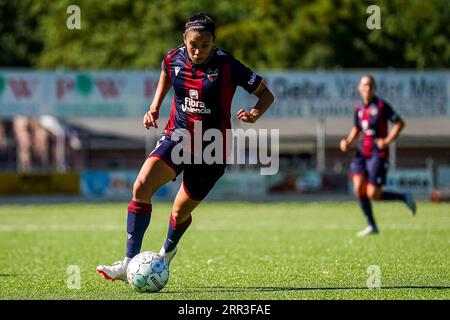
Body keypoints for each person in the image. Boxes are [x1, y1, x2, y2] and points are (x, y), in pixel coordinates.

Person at [96, 13, 274, 281]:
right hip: (177, 138)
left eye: (205, 45)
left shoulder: (228, 65)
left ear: (213, 42)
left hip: (212, 149)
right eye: (193, 44)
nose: (198, 50)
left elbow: (266, 94)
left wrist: (255, 113)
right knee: (141, 187)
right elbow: (167, 74)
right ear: (184, 40)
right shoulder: (172, 58)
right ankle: (128, 262)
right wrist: (154, 107)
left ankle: (166, 254)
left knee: (180, 212)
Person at [340, 75, 416, 237]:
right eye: (364, 85)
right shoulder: (358, 108)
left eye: (370, 85)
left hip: (377, 154)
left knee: (373, 194)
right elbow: (357, 128)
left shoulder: (381, 106)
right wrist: (347, 141)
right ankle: (372, 225)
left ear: (374, 88)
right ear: (359, 88)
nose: (367, 88)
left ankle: (403, 196)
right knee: (358, 188)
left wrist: (387, 141)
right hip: (361, 153)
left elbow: (399, 123)